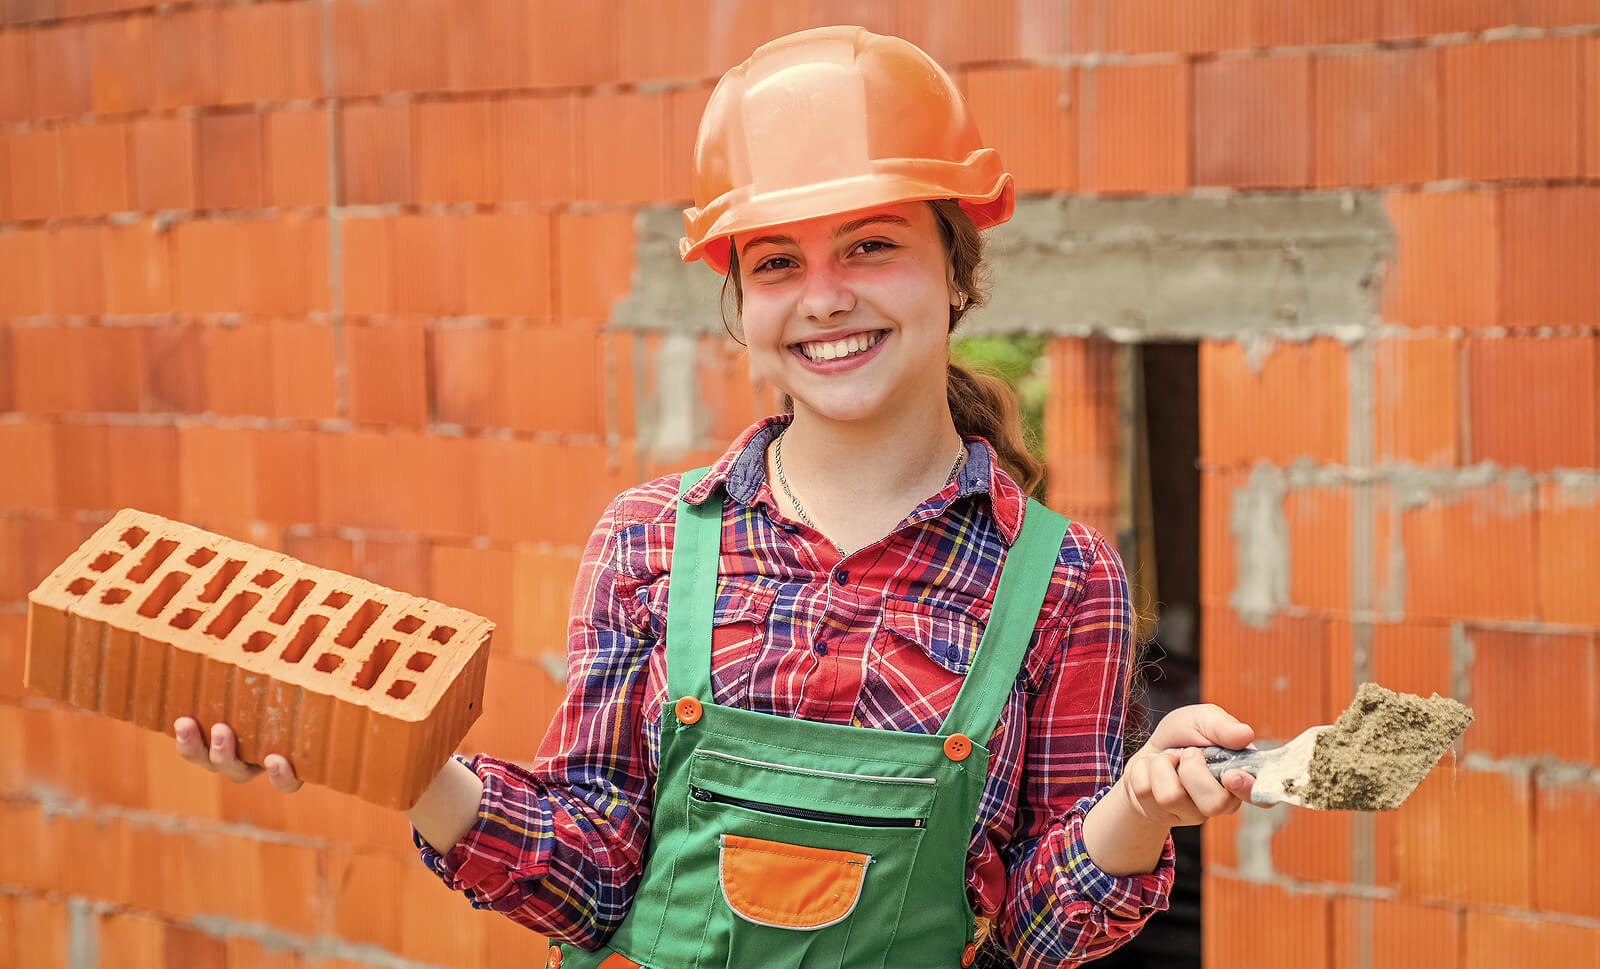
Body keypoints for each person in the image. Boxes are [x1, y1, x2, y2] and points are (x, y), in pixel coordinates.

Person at [175, 26, 1256, 969]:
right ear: (739, 305)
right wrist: (410, 768)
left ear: (956, 270)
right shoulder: (649, 541)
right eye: (777, 262)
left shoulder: (1064, 579)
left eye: (871, 245)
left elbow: (1035, 933)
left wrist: (1136, 810)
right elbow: (590, 875)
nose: (825, 297)